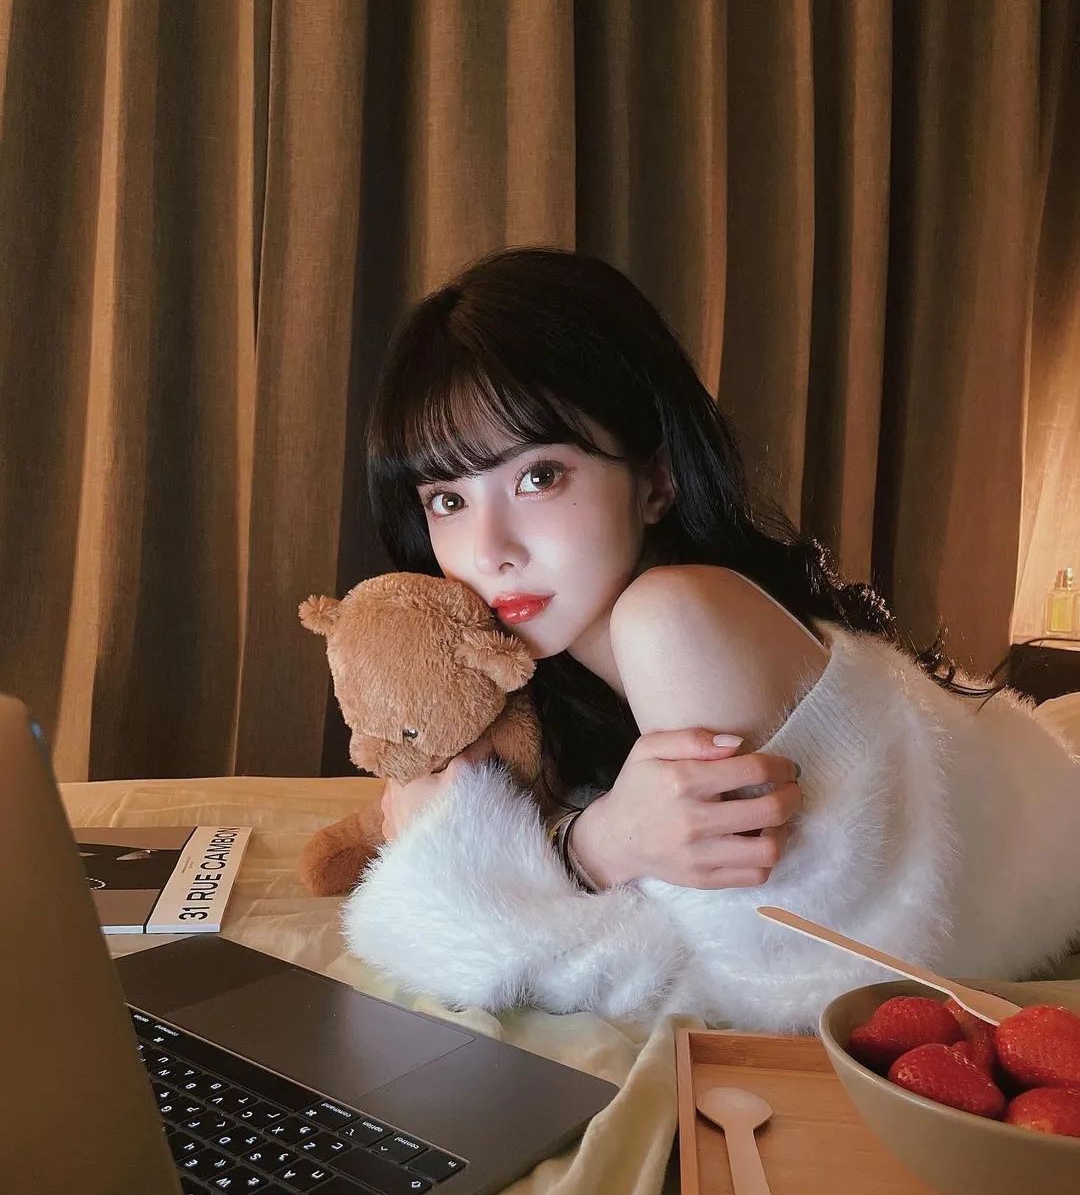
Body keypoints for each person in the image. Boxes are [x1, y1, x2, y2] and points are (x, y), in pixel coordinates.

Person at [340, 246, 1080, 1032]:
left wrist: (569, 853)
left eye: (538, 477)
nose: (490, 549)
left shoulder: (674, 619)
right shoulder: (556, 670)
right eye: (448, 499)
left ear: (656, 480)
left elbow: (769, 995)